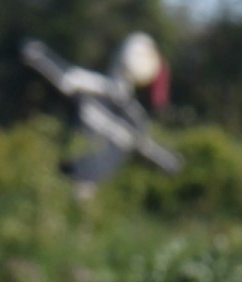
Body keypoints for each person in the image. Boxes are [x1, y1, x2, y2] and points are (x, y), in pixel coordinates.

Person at [21, 31, 182, 195]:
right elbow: (160, 158)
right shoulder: (136, 119)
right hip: (85, 196)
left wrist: (33, 49)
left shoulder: (87, 86)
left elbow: (42, 59)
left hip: (66, 189)